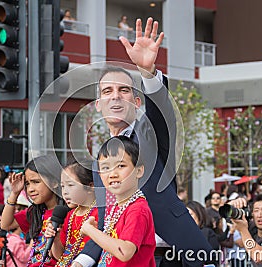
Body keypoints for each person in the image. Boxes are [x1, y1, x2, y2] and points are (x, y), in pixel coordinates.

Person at [73, 17, 211, 267]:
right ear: (98, 105)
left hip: (173, 257)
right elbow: (107, 222)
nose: (115, 97)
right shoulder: (100, 165)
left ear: (137, 103)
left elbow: (162, 112)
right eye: (107, 92)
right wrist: (81, 262)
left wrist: (147, 71)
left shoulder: (152, 136)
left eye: (124, 90)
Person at [80, 136, 155, 266]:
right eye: (105, 168)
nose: (112, 174)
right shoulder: (115, 207)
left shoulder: (138, 210)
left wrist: (90, 230)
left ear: (139, 170)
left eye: (120, 165)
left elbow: (124, 252)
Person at [1, 155, 62, 267]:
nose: (30, 189)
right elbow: (6, 224)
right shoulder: (36, 212)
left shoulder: (67, 213)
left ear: (54, 182)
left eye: (36, 182)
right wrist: (14, 194)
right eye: (27, 183)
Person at [45, 159, 97, 266]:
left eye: (70, 185)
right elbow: (61, 257)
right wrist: (56, 238)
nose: (65, 192)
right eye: (63, 186)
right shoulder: (70, 215)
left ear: (90, 186)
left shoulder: (99, 214)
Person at [185, 201, 220, 266]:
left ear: (198, 214)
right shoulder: (184, 234)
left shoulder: (207, 233)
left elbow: (212, 257)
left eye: (190, 214)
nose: (187, 218)